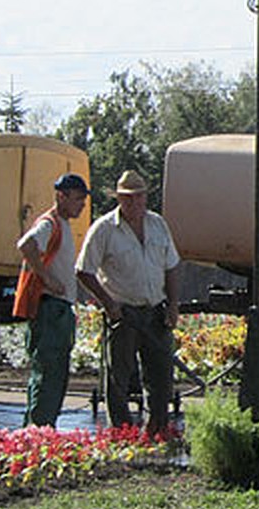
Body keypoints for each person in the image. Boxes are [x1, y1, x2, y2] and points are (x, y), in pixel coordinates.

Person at [76, 170, 182, 435]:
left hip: (155, 309)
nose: (134, 203)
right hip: (123, 312)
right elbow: (83, 270)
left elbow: (171, 266)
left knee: (161, 374)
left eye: (138, 197)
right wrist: (109, 304)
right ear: (119, 199)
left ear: (146, 197)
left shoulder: (157, 224)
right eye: (128, 198)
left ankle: (158, 427)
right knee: (119, 377)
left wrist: (173, 304)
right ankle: (122, 431)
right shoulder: (104, 229)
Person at [13, 173, 90, 427]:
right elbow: (26, 245)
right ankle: (38, 430)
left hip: (59, 310)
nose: (81, 205)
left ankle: (43, 429)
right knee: (48, 375)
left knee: (55, 376)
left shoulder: (63, 225)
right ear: (61, 196)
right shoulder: (50, 224)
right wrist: (47, 279)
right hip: (50, 310)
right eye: (77, 199)